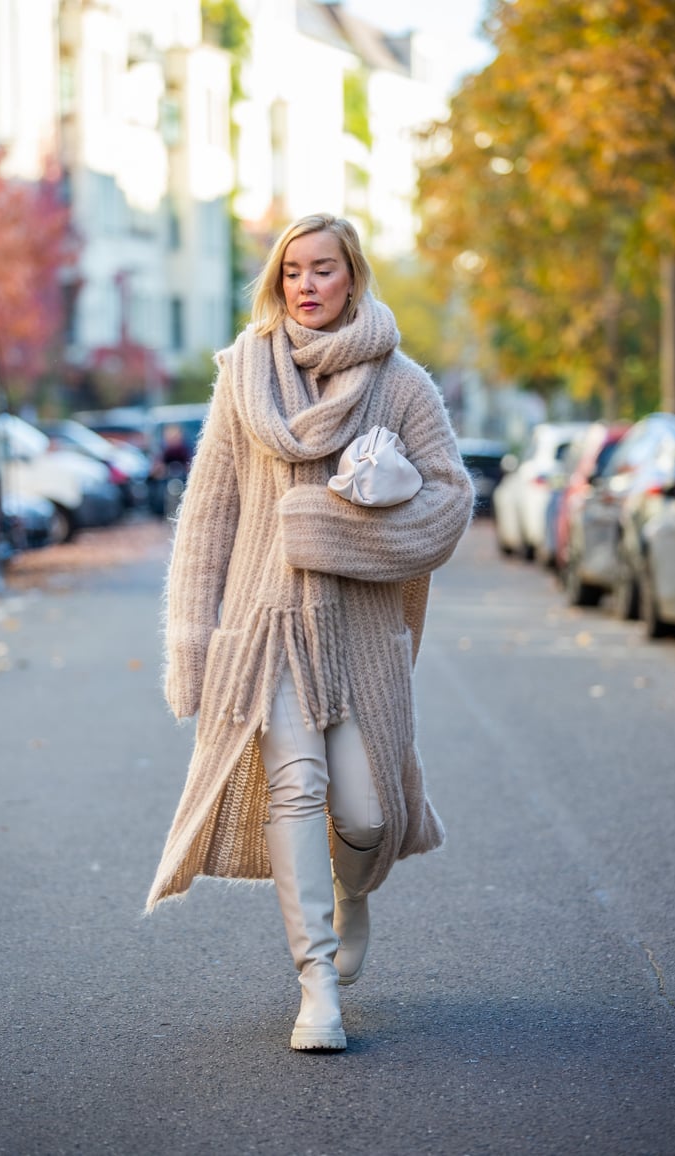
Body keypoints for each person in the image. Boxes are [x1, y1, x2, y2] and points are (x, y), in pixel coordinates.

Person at [145, 213, 474, 1052]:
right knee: (295, 790)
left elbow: (450, 502)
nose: (306, 284)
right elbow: (209, 515)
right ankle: (315, 984)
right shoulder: (242, 377)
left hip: (363, 633)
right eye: (292, 270)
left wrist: (330, 530)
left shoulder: (401, 385)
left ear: (352, 277)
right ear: (278, 281)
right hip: (265, 630)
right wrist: (191, 640)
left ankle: (353, 888)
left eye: (323, 269)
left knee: (365, 815)